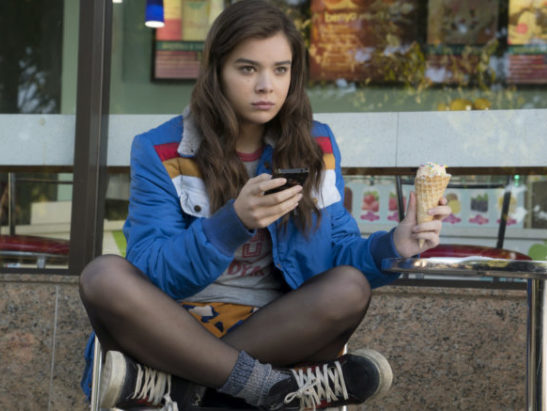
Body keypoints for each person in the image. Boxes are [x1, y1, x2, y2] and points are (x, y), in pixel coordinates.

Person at [79, 0, 451, 409]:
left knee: (350, 287)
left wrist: (395, 246)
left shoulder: (316, 147)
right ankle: (269, 388)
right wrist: (231, 222)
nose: (266, 86)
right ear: (216, 71)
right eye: (247, 68)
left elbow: (339, 255)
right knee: (103, 276)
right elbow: (152, 271)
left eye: (280, 69)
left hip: (275, 330)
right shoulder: (161, 149)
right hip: (175, 329)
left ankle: (185, 390)